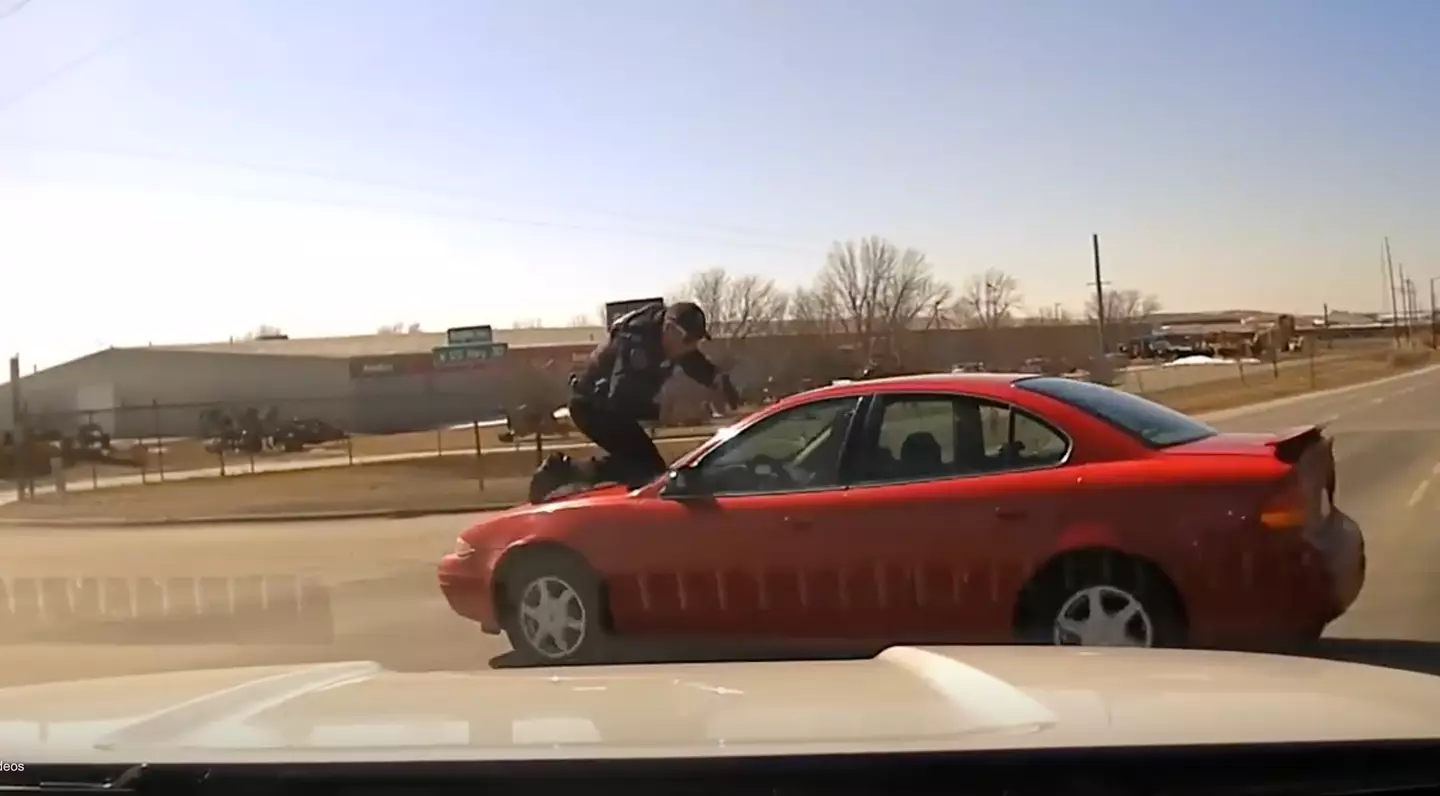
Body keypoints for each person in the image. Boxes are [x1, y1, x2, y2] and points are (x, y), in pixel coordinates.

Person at [528, 301, 739, 503]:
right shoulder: (637, 348)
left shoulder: (671, 340)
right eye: (689, 341)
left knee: (647, 469)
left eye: (696, 342)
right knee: (649, 471)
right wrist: (666, 413)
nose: (692, 347)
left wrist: (716, 378)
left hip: (609, 409)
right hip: (592, 407)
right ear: (670, 330)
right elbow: (623, 400)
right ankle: (563, 471)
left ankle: (566, 470)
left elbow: (692, 360)